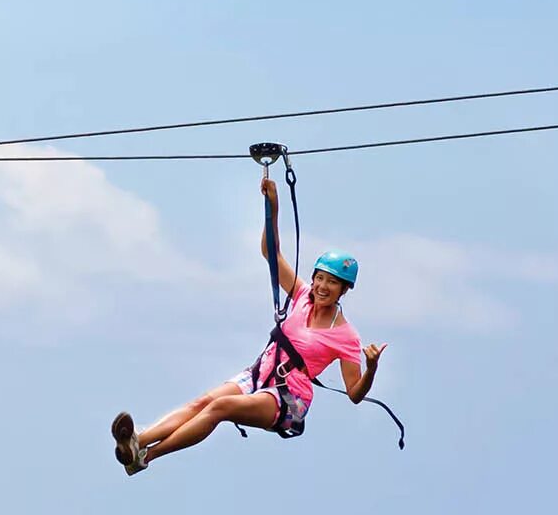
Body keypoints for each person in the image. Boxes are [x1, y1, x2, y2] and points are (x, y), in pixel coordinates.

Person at [111, 172, 385, 473]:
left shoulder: (346, 336)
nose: (321, 286)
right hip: (259, 373)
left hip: (289, 397)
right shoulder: (303, 295)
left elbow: (354, 394)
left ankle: (146, 458)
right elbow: (271, 253)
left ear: (344, 289)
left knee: (220, 408)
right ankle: (136, 441)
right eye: (320, 278)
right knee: (201, 402)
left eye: (332, 283)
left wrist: (370, 367)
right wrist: (273, 207)